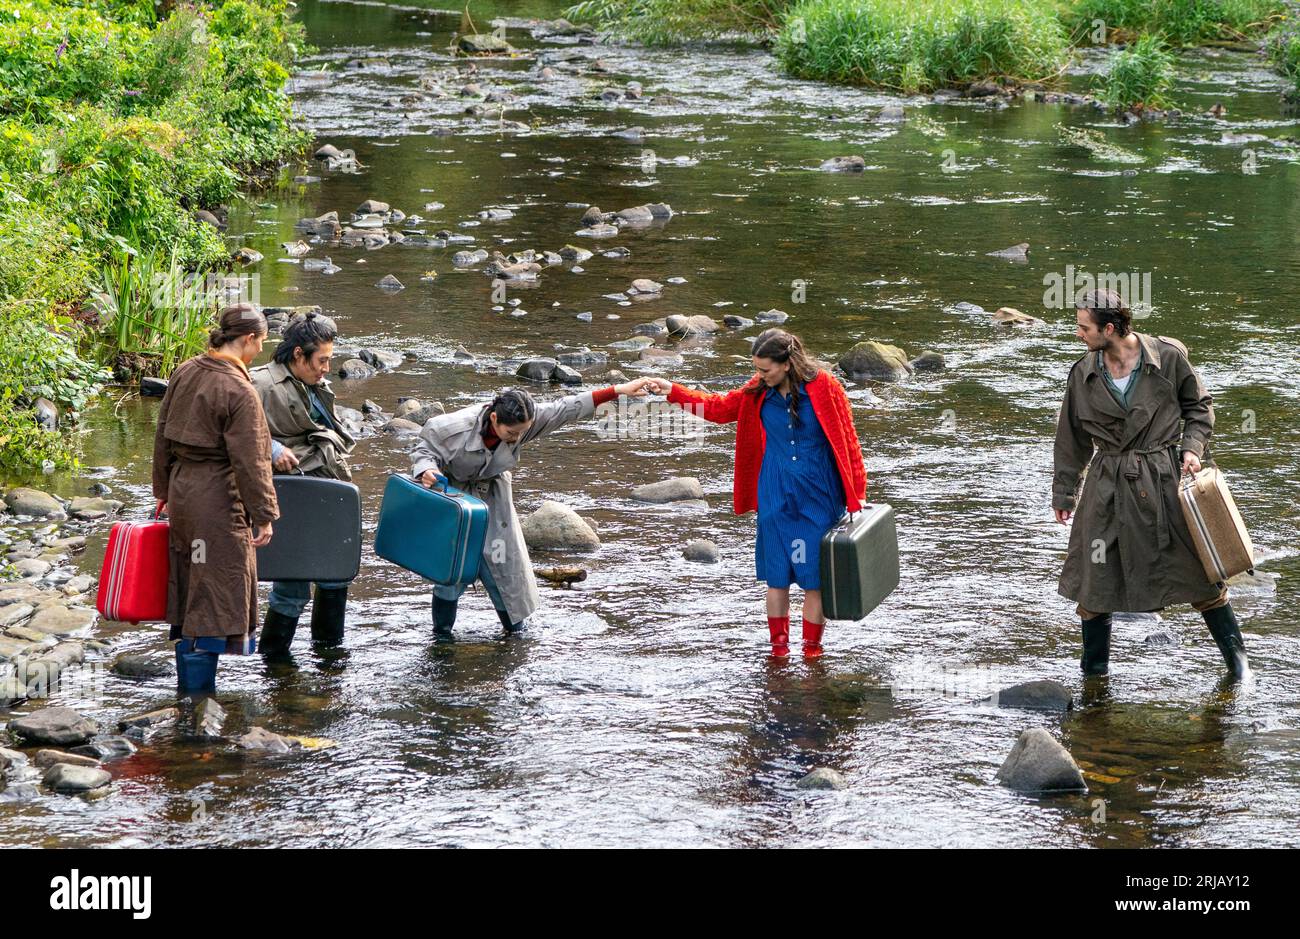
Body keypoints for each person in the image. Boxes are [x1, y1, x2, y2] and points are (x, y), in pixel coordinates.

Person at [1053, 288, 1250, 679]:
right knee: (1096, 582)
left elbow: (1199, 407)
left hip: (1164, 482)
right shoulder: (1083, 373)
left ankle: (1241, 667)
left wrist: (1192, 448)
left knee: (1202, 575)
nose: (1078, 334)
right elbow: (1070, 437)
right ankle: (1095, 680)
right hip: (1105, 489)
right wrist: (1064, 493)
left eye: (1084, 327)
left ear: (1109, 328)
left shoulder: (1168, 358)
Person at [646, 328, 867, 657]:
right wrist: (673, 391)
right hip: (774, 494)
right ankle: (778, 651)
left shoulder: (825, 386)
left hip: (819, 495)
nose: (760, 376)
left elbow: (848, 438)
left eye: (766, 369)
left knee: (813, 581)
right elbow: (719, 409)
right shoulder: (758, 391)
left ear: (787, 364)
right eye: (757, 369)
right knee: (776, 577)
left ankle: (811, 651)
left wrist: (858, 493)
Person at [410, 378, 654, 640]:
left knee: (504, 567)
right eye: (512, 434)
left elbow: (567, 408)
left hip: (494, 498)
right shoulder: (452, 428)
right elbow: (424, 448)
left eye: (522, 433)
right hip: (455, 499)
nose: (517, 438)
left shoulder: (525, 423)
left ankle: (515, 632)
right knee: (451, 572)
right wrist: (427, 469)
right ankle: (442, 637)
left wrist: (617, 390)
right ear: (494, 418)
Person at [152, 303, 278, 694]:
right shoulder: (240, 389)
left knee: (192, 583)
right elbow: (253, 459)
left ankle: (190, 692)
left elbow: (162, 435)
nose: (260, 352)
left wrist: (162, 491)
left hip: (183, 492)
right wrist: (264, 514)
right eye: (261, 343)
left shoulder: (185, 370)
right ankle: (196, 697)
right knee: (212, 588)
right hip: (217, 503)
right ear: (248, 339)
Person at [250, 312, 355, 658]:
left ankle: (329, 658)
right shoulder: (259, 385)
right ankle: (275, 663)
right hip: (289, 496)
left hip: (327, 490)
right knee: (292, 585)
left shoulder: (315, 383)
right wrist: (273, 447)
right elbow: (227, 433)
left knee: (336, 574)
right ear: (298, 354)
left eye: (330, 360)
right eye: (321, 360)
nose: (327, 368)